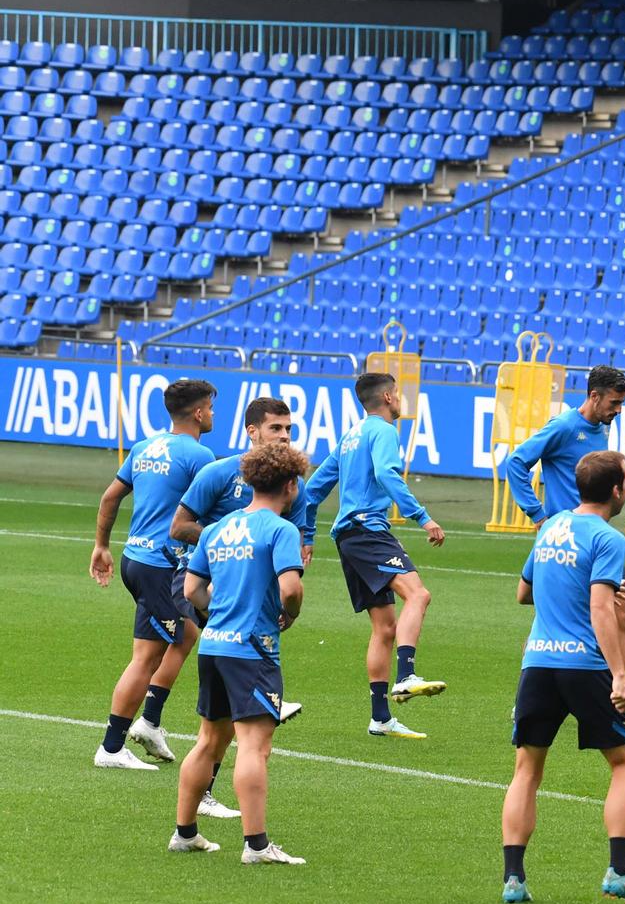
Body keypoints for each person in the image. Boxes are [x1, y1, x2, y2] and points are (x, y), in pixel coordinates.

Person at [502, 450, 625, 904]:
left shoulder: (550, 527)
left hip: (538, 663)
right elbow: (600, 608)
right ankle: (619, 872)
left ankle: (513, 880)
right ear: (617, 491)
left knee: (527, 770)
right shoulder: (608, 538)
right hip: (585, 666)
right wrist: (621, 677)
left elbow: (523, 593)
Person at [503, 363, 625, 727]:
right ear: (593, 396)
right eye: (614, 402)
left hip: (595, 541)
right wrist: (539, 516)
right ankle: (525, 701)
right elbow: (516, 462)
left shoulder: (600, 428)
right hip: (566, 540)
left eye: (621, 403)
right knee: (548, 620)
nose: (618, 410)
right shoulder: (565, 426)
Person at [169, 442, 314, 866]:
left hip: (213, 644)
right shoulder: (281, 530)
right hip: (253, 649)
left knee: (208, 742)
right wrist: (289, 614)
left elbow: (192, 589)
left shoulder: (218, 529)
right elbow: (291, 588)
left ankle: (185, 832)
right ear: (290, 485)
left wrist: (219, 611)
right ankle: (255, 845)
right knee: (254, 746)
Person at [89, 378, 220, 791]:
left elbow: (111, 497)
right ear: (198, 412)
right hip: (161, 566)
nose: (213, 415)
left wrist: (101, 546)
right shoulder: (200, 456)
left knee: (184, 635)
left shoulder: (146, 447)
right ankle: (112, 747)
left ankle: (150, 721)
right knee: (147, 656)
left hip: (134, 558)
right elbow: (209, 514)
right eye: (211, 408)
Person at [300, 371, 446, 739]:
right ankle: (407, 675)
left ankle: (380, 718)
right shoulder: (383, 431)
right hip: (368, 530)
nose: (399, 399)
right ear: (386, 397)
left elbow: (313, 489)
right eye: (396, 393)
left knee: (384, 627)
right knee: (418, 594)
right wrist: (423, 517)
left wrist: (307, 536)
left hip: (348, 537)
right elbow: (386, 473)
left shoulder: (351, 435)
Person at [172, 394, 311, 735]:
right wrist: (228, 541)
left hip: (252, 594)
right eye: (275, 428)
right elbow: (178, 527)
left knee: (216, 727)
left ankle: (152, 724)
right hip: (207, 579)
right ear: (252, 431)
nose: (284, 436)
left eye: (289, 429)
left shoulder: (296, 488)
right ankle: (147, 719)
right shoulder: (218, 472)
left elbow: (294, 546)